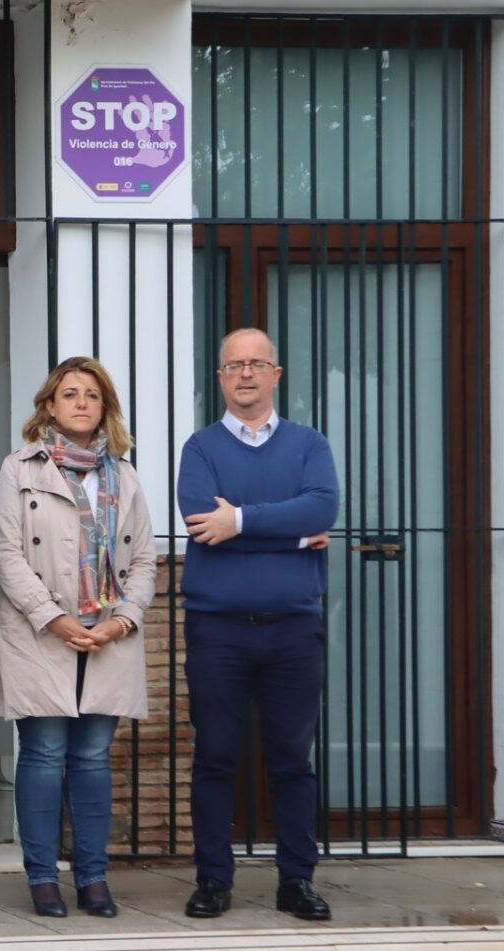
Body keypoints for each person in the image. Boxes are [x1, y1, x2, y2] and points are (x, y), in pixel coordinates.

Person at [177, 327, 339, 921]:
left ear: (276, 374)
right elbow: (200, 522)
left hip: (294, 629)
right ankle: (213, 880)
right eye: (234, 365)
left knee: (292, 759)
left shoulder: (309, 444)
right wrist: (291, 536)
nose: (245, 374)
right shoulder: (200, 449)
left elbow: (323, 508)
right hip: (217, 629)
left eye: (257, 364)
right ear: (221, 378)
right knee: (216, 755)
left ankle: (297, 880)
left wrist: (240, 521)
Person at [0, 357, 157, 918]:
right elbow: (6, 553)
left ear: (104, 407)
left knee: (92, 757)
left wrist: (123, 619)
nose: (81, 402)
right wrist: (51, 617)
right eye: (70, 393)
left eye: (92, 395)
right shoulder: (20, 469)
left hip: (109, 633)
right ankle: (41, 878)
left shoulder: (125, 476)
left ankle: (92, 878)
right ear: (50, 406)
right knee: (44, 752)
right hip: (42, 633)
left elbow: (144, 560)